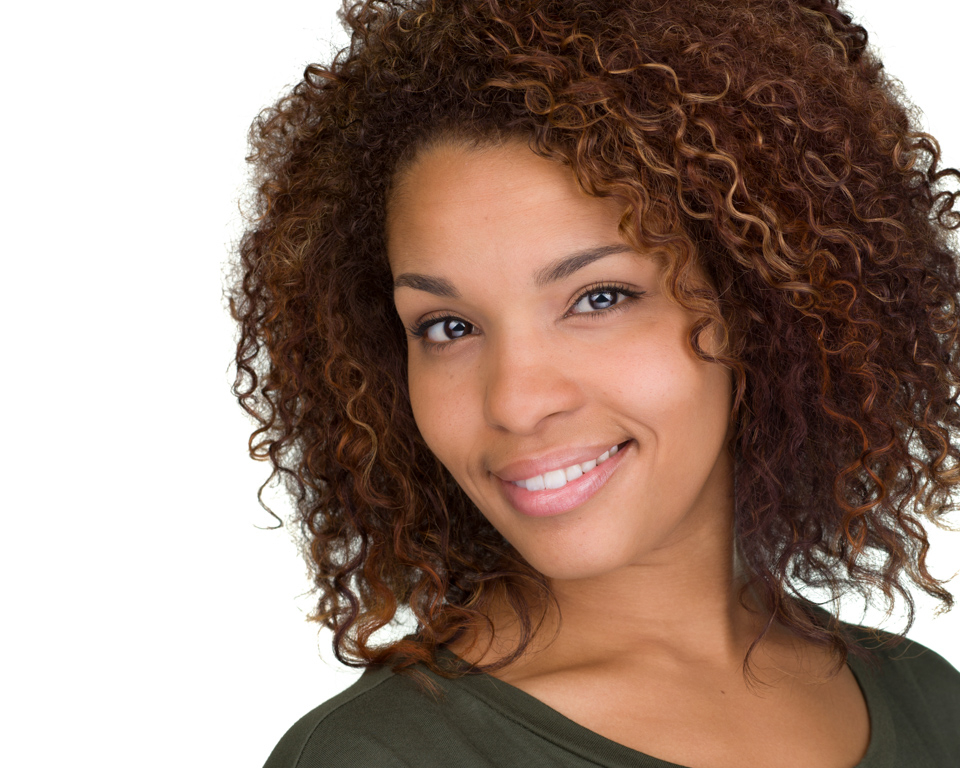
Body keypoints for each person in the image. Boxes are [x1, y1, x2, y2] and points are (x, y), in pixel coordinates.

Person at [228, 0, 960, 765]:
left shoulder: (930, 704)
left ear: (764, 307)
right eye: (448, 327)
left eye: (599, 299)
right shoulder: (382, 755)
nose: (515, 403)